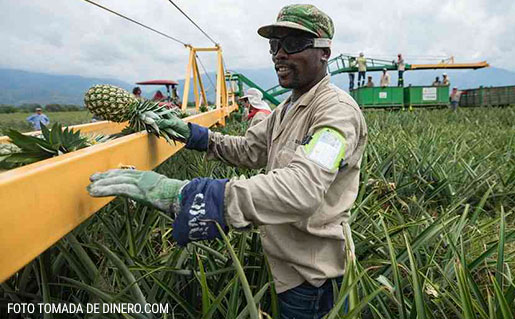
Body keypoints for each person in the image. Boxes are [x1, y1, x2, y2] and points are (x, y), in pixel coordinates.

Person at [87, 4, 367, 319]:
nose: (279, 54)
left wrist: (197, 195)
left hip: (314, 281)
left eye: (292, 44)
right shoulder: (287, 109)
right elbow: (250, 149)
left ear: (324, 52)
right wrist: (194, 135)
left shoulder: (336, 113)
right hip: (287, 267)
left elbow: (301, 190)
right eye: (274, 46)